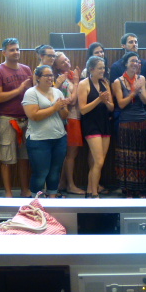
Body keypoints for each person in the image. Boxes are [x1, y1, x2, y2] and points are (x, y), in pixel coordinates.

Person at [0, 38, 33, 197]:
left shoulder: (26, 69)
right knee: (7, 158)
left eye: (17, 49)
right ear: (4, 52)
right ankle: (8, 193)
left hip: (26, 119)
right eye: (12, 49)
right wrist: (19, 89)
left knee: (25, 158)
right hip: (7, 120)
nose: (16, 52)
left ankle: (25, 190)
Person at [22, 65, 69, 197]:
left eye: (51, 75)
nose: (50, 78)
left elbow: (64, 116)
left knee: (55, 171)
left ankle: (52, 198)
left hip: (59, 137)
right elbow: (34, 116)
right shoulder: (31, 93)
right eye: (46, 75)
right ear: (38, 77)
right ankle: (36, 201)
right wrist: (54, 108)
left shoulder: (57, 92)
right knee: (41, 173)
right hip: (39, 139)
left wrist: (62, 107)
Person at [112, 51, 146, 197]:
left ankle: (141, 188)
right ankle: (128, 189)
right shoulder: (118, 81)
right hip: (126, 121)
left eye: (137, 61)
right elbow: (121, 104)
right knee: (127, 156)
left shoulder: (142, 78)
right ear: (125, 64)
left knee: (141, 155)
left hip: (141, 120)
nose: (135, 63)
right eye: (132, 61)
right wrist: (133, 92)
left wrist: (140, 90)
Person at [78, 56, 115, 198]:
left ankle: (89, 190)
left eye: (104, 68)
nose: (103, 70)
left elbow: (111, 107)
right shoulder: (83, 84)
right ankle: (94, 193)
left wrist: (106, 102)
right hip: (91, 124)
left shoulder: (105, 83)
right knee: (99, 161)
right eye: (100, 68)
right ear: (91, 69)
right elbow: (83, 110)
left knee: (98, 161)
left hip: (104, 123)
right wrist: (99, 99)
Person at [52, 52, 84, 196]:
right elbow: (71, 101)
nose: (66, 62)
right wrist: (77, 82)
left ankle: (63, 183)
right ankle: (70, 185)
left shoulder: (70, 76)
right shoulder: (63, 80)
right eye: (62, 62)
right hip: (70, 118)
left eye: (66, 59)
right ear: (57, 67)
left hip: (76, 117)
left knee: (71, 153)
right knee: (71, 154)